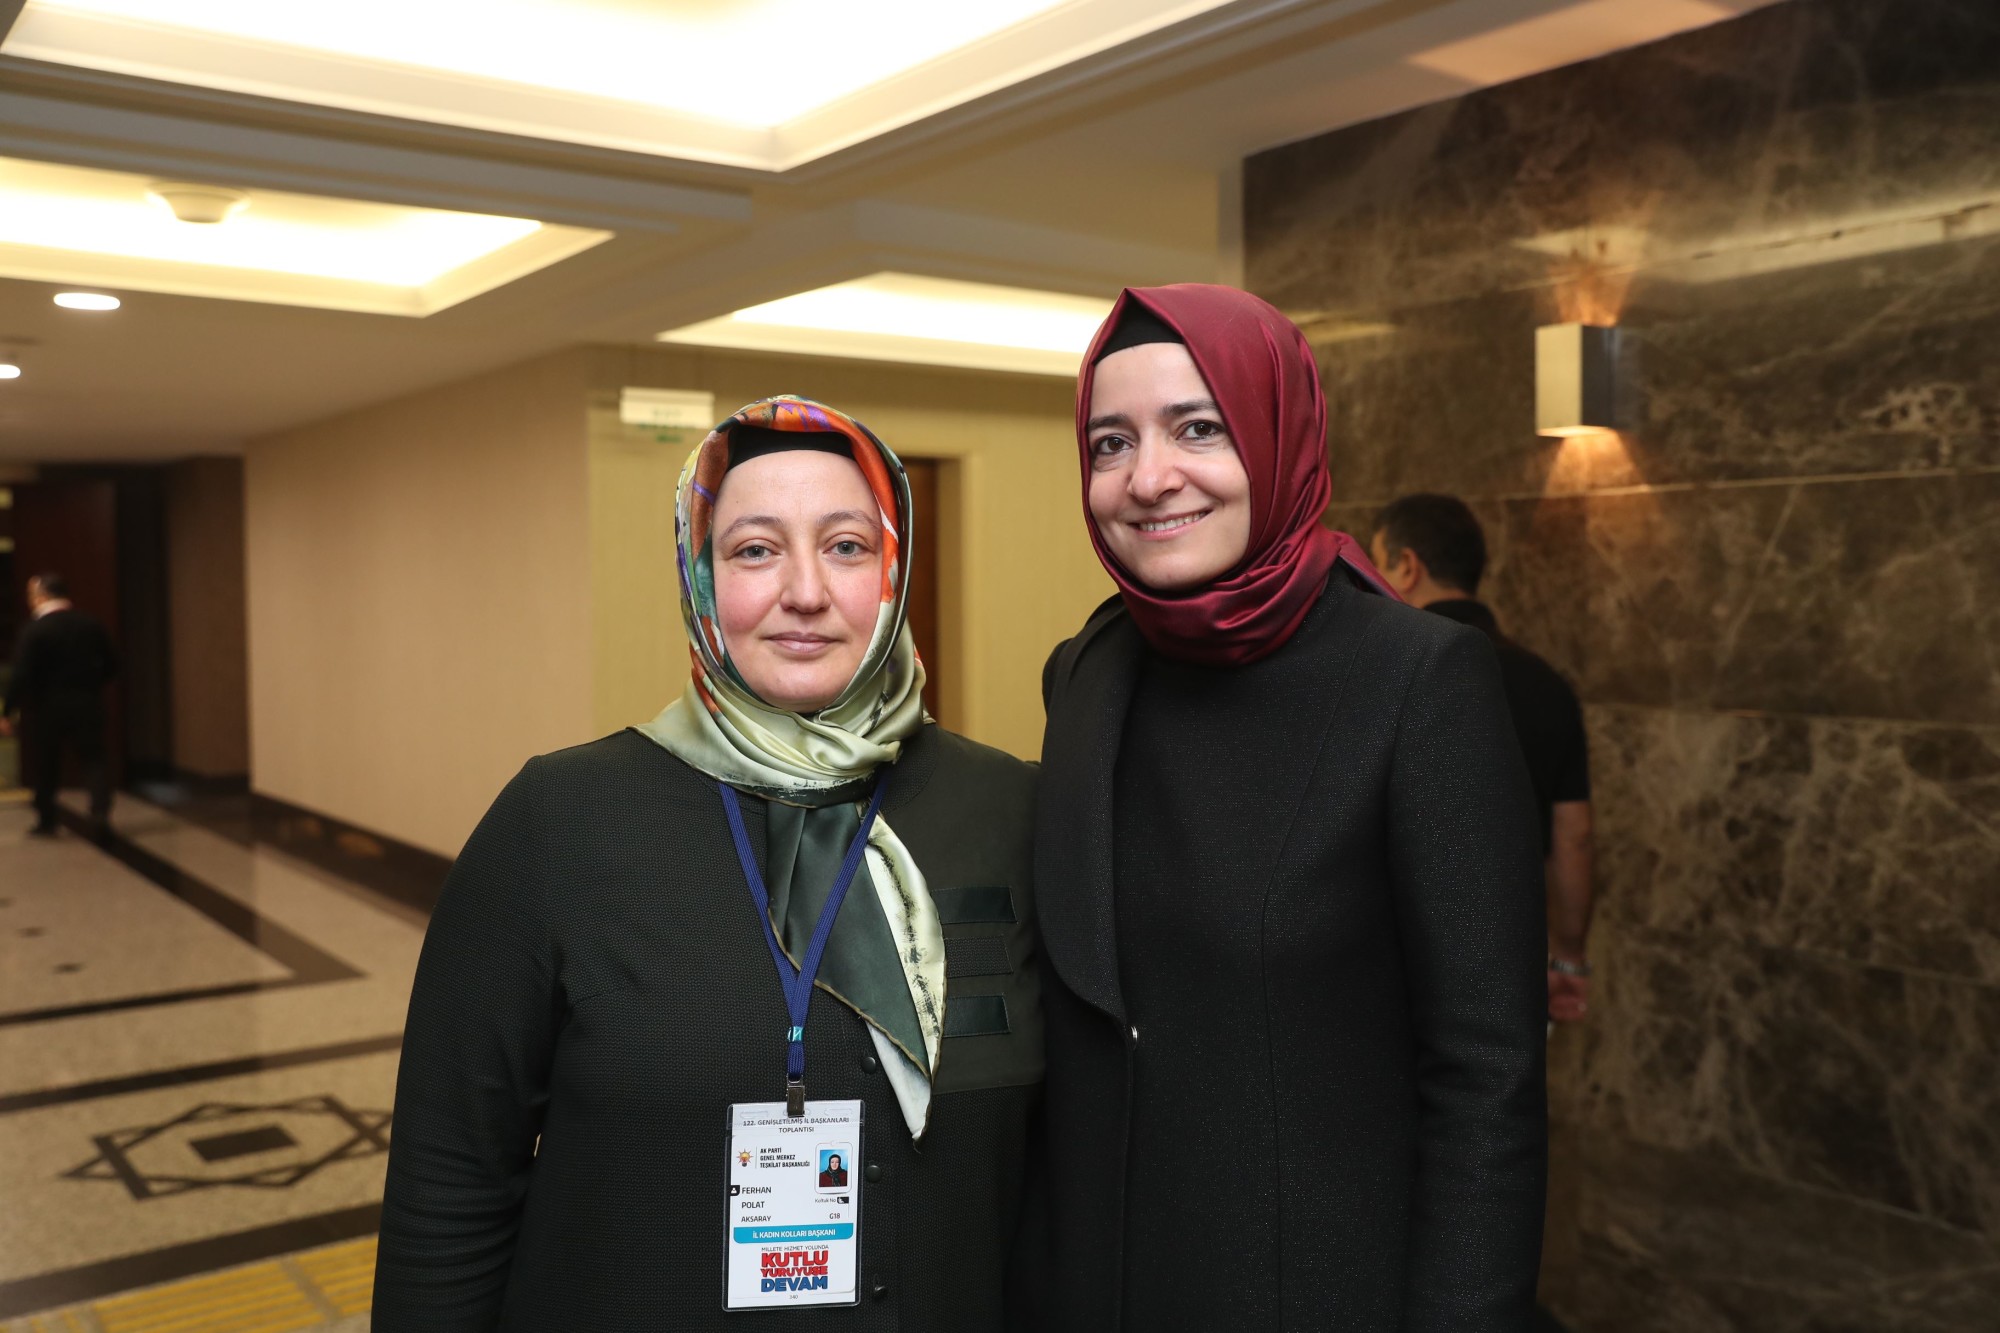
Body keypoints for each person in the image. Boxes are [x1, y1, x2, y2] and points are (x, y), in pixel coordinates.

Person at [374, 396, 1044, 1331]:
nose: (804, 590)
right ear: (700, 575)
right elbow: (450, 1185)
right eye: (756, 550)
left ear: (894, 572)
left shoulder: (1011, 809)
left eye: (847, 546)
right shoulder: (562, 820)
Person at [1036, 285, 1547, 1332]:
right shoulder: (1086, 669)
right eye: (1109, 442)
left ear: (1279, 434)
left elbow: (1486, 1076)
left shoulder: (1417, 680)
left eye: (1198, 428)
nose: (1148, 478)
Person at [1368, 494, 1595, 1023]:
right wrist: (1569, 955)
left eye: (1377, 565)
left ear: (1407, 567)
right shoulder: (1547, 685)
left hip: (1393, 970)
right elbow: (1575, 836)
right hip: (1509, 964)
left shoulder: (1381, 675)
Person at [1, 572, 117, 837]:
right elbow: (112, 663)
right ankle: (100, 813)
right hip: (87, 702)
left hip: (46, 707)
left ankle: (47, 818)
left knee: (46, 763)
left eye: (31, 594)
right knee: (94, 760)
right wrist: (92, 683)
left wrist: (8, 710)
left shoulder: (34, 630)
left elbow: (21, 673)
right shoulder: (90, 624)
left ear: (41, 596)